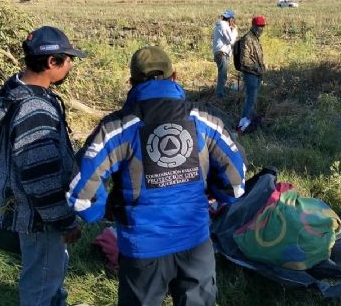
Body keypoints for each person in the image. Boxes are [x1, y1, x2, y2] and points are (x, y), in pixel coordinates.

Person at [67, 46, 247, 306]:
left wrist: (104, 212)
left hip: (142, 251)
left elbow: (81, 194)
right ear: (174, 76)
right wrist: (215, 197)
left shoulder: (117, 128)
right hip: (196, 241)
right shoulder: (205, 120)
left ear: (131, 83)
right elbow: (236, 180)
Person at [0, 26, 85, 305]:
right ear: (51, 62)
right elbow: (39, 175)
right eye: (68, 60)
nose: (70, 65)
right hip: (40, 217)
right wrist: (64, 221)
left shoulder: (15, 89)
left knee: (50, 272)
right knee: (40, 283)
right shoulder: (35, 110)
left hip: (30, 210)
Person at [236, 15, 266, 133]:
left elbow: (257, 57)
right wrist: (258, 69)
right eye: (259, 26)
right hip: (251, 75)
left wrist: (261, 69)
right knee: (250, 101)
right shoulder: (248, 38)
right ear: (253, 26)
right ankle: (241, 127)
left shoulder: (255, 38)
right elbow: (245, 61)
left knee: (253, 100)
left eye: (263, 26)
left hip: (256, 74)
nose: (261, 28)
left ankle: (248, 124)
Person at [212, 9, 238, 98]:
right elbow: (230, 40)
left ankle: (220, 93)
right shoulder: (223, 25)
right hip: (222, 53)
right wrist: (234, 31)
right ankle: (219, 95)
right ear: (231, 19)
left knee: (222, 74)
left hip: (220, 52)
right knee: (222, 75)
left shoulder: (221, 25)